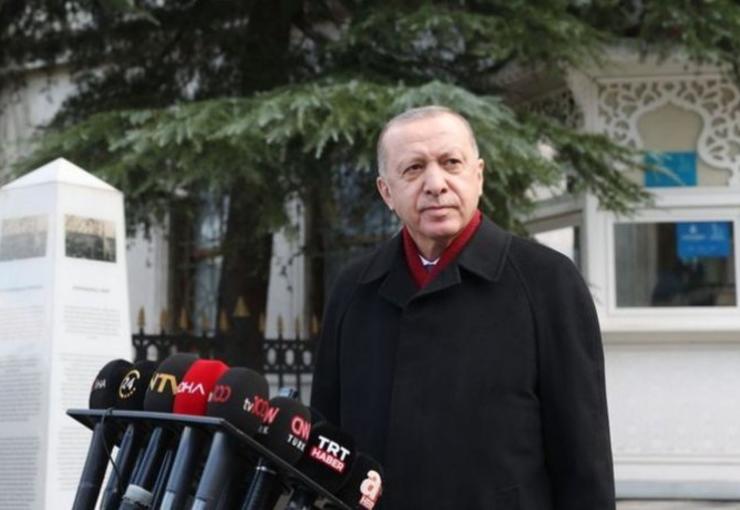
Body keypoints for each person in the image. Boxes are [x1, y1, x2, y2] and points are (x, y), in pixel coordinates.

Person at [311, 106, 615, 510]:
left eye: (451, 163)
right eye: (414, 169)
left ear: (479, 175)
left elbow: (584, 455)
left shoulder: (547, 281)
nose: (436, 184)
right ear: (386, 192)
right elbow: (327, 447)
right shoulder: (354, 290)